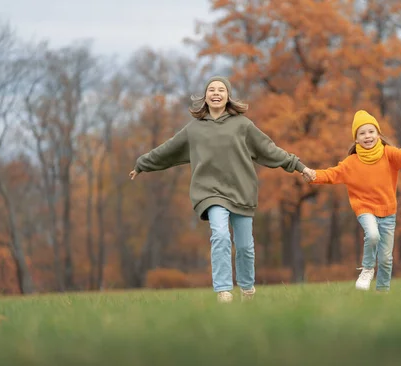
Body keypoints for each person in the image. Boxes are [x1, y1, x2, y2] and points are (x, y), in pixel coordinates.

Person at [129, 76, 316, 303]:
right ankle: (224, 291)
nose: (216, 93)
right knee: (220, 235)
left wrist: (298, 165)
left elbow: (269, 149)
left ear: (228, 96)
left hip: (241, 191)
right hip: (209, 193)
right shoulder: (194, 129)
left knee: (245, 247)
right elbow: (167, 150)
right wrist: (142, 164)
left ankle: (247, 289)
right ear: (205, 96)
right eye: (211, 89)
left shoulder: (242, 125)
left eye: (221, 90)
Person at [303, 110, 401, 292]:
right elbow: (332, 174)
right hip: (365, 208)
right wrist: (313, 175)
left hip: (388, 213)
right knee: (372, 235)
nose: (367, 136)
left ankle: (382, 294)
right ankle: (367, 269)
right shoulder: (350, 163)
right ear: (356, 139)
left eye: (371, 131)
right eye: (362, 133)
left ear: (378, 134)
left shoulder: (389, 155)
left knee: (386, 259)